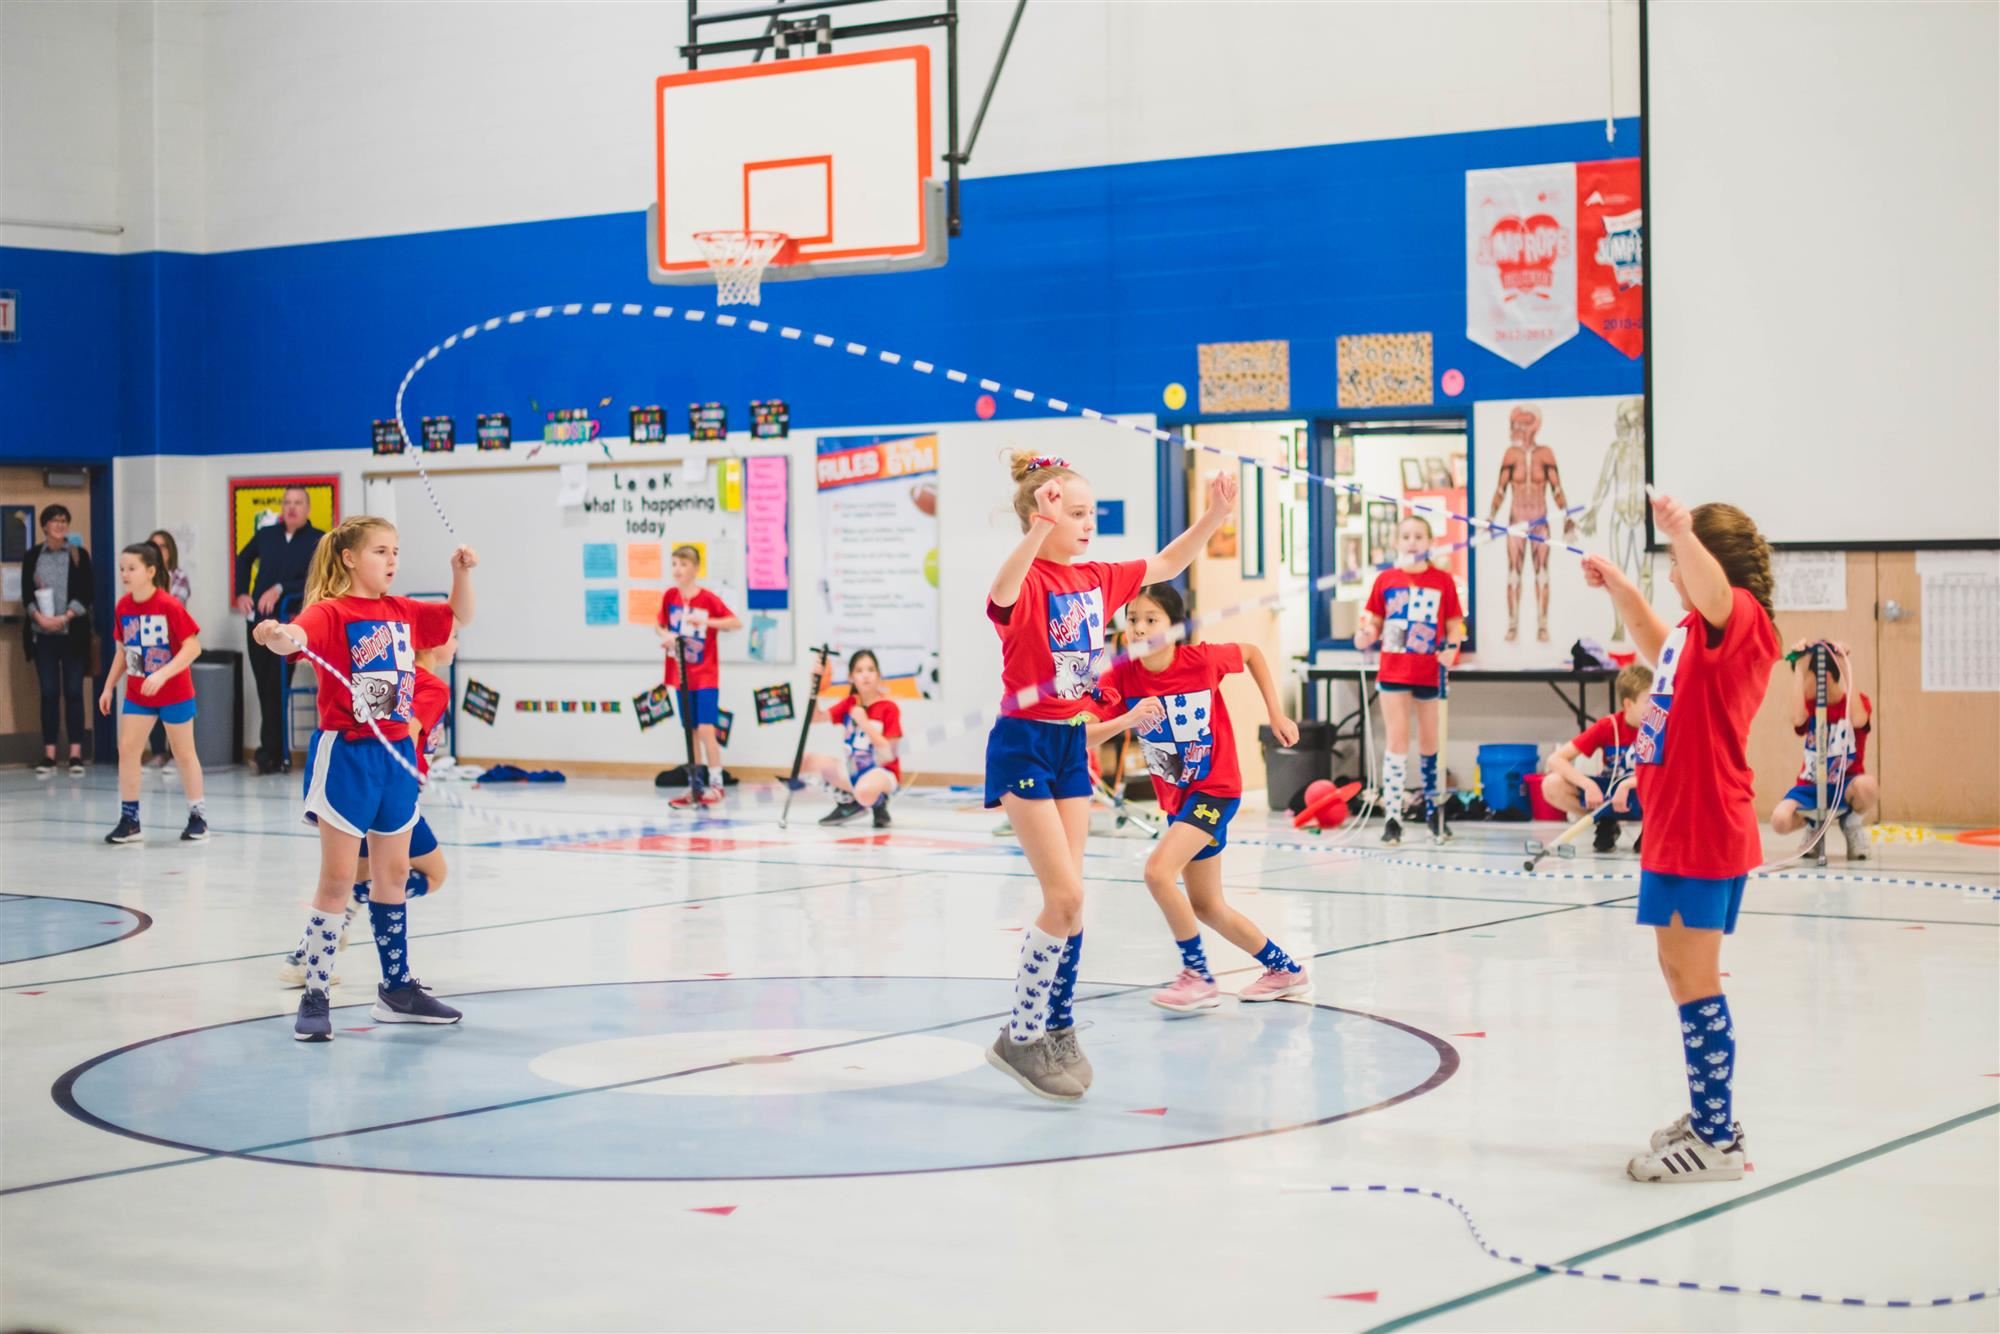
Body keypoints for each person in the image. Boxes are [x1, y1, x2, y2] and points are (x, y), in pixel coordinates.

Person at [982, 451, 1236, 1101]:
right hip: (1025, 744)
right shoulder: (1028, 579)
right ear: (1043, 516)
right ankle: (1022, 1032)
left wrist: (1213, 516)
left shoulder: (1097, 577)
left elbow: (1165, 564)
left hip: (1072, 745)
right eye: (1076, 512)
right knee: (1061, 898)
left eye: (1091, 511)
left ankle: (1058, 1024)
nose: (1089, 523)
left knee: (1072, 901)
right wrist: (1037, 530)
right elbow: (1002, 591)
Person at [1581, 493, 1778, 1183]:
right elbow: (1650, 634)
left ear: (1711, 564)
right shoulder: (1694, 636)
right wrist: (1622, 587)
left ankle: (1718, 1142)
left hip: (1703, 828)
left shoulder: (1742, 623)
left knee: (1694, 978)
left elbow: (1717, 592)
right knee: (1679, 972)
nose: (1674, 575)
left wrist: (1683, 535)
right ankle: (1710, 1117)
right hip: (1679, 829)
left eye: (1681, 563)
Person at [254, 516, 474, 1041]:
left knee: (392, 878)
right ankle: (316, 992)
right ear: (351, 557)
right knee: (335, 881)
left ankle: (396, 990)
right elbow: (295, 639)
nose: (392, 561)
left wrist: (460, 572)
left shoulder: (401, 611)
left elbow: (456, 616)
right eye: (380, 551)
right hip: (348, 756)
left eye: (395, 551)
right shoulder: (332, 611)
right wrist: (275, 634)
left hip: (394, 753)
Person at [1085, 584, 1311, 1011]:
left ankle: (1198, 974)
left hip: (1216, 790)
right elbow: (1085, 731)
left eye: (1151, 619)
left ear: (1175, 627)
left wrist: (1275, 713)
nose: (1138, 628)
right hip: (1178, 802)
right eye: (1132, 618)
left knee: (1156, 872)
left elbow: (1251, 654)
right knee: (1207, 905)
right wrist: (1126, 719)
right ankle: (1284, 969)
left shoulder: (1201, 660)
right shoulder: (1120, 676)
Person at [279, 625, 457, 989]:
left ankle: (303, 959)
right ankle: (386, 974)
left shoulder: (401, 677)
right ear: (433, 643)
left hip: (362, 787)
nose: (455, 643)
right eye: (453, 636)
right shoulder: (432, 686)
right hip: (391, 793)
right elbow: (403, 732)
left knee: (346, 882)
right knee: (433, 875)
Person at [1353, 513, 1466, 845]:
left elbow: (1454, 626)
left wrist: (1452, 649)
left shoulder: (1443, 581)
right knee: (1397, 742)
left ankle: (1434, 812)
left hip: (1430, 673)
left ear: (1430, 542)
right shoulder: (1386, 580)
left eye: (1419, 536)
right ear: (1396, 542)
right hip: (1394, 671)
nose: (1412, 541)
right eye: (1406, 536)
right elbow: (1373, 621)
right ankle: (1393, 818)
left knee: (1431, 743)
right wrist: (1365, 634)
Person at [98, 543, 205, 843]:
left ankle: (198, 816)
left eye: (131, 569)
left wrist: (162, 673)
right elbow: (122, 651)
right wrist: (108, 686)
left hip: (174, 692)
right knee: (128, 750)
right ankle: (130, 820)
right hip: (138, 693)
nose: (125, 574)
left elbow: (192, 646)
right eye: (122, 569)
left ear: (151, 571)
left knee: (184, 754)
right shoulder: (123, 607)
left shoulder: (169, 604)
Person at [234, 486, 323, 774]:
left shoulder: (317, 540)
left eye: (298, 503)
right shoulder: (267, 534)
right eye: (287, 503)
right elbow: (243, 559)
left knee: (279, 686)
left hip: (290, 624)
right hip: (258, 622)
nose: (291, 508)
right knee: (265, 688)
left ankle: (271, 752)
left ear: (307, 509)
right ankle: (268, 753)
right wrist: (242, 592)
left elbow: (317, 581)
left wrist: (282, 588)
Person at [1769, 639, 1876, 860]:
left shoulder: (1854, 703)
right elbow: (1798, 719)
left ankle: (1852, 823)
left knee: (1868, 786)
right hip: (1810, 786)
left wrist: (1844, 664)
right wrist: (1799, 667)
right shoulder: (1808, 708)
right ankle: (1814, 825)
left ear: (1823, 678)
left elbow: (1858, 720)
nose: (1800, 687)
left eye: (1803, 680)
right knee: (1779, 821)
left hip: (1845, 786)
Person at [656, 544, 742, 808]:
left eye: (683, 564)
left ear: (695, 568)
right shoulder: (670, 596)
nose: (677, 570)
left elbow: (734, 622)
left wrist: (706, 623)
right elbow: (659, 625)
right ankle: (695, 783)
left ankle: (716, 783)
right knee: (690, 730)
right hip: (681, 673)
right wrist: (667, 636)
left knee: (706, 728)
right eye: (674, 564)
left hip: (704, 674)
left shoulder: (706, 599)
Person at [1541, 662, 1654, 854]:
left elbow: (1672, 771)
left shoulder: (1659, 726)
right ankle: (1605, 820)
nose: (1655, 707)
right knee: (1552, 784)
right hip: (1611, 793)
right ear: (1628, 704)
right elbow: (1555, 759)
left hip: (1644, 792)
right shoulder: (1608, 726)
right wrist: (1586, 784)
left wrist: (1627, 785)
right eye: (1648, 701)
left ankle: (1651, 828)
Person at [1486, 405, 1575, 643]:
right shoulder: (1510, 455)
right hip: (1516, 522)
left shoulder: (1545, 454)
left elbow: (1557, 489)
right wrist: (1491, 517)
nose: (1513, 429)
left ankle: (1542, 625)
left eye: (1518, 424)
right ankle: (1513, 624)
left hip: (1540, 522)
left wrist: (1566, 516)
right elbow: (1500, 490)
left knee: (1542, 574)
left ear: (1530, 426)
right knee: (1513, 575)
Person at [21, 504, 94, 777]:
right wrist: (39, 618)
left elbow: (87, 591)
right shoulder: (32, 557)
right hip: (44, 635)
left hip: (72, 633)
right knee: (49, 693)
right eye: (55, 521)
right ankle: (49, 754)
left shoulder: (78, 555)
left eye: (64, 521)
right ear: (44, 526)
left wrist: (66, 616)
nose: (60, 525)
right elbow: (26, 593)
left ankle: (75, 754)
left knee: (74, 692)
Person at [805, 649, 902, 828]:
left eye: (871, 670)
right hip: (853, 771)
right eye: (859, 671)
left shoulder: (889, 707)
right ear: (851, 677)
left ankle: (877, 802)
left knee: (864, 792)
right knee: (808, 761)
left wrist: (864, 724)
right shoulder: (850, 702)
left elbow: (889, 754)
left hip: (881, 773)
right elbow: (815, 718)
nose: (865, 676)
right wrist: (815, 686)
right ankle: (850, 802)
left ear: (879, 675)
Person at [144, 529, 191, 767]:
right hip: (149, 645)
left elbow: (173, 607)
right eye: (153, 546)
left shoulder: (178, 577)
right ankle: (158, 751)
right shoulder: (143, 579)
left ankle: (176, 754)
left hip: (173, 647)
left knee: (174, 702)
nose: (157, 551)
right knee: (152, 700)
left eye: (162, 546)